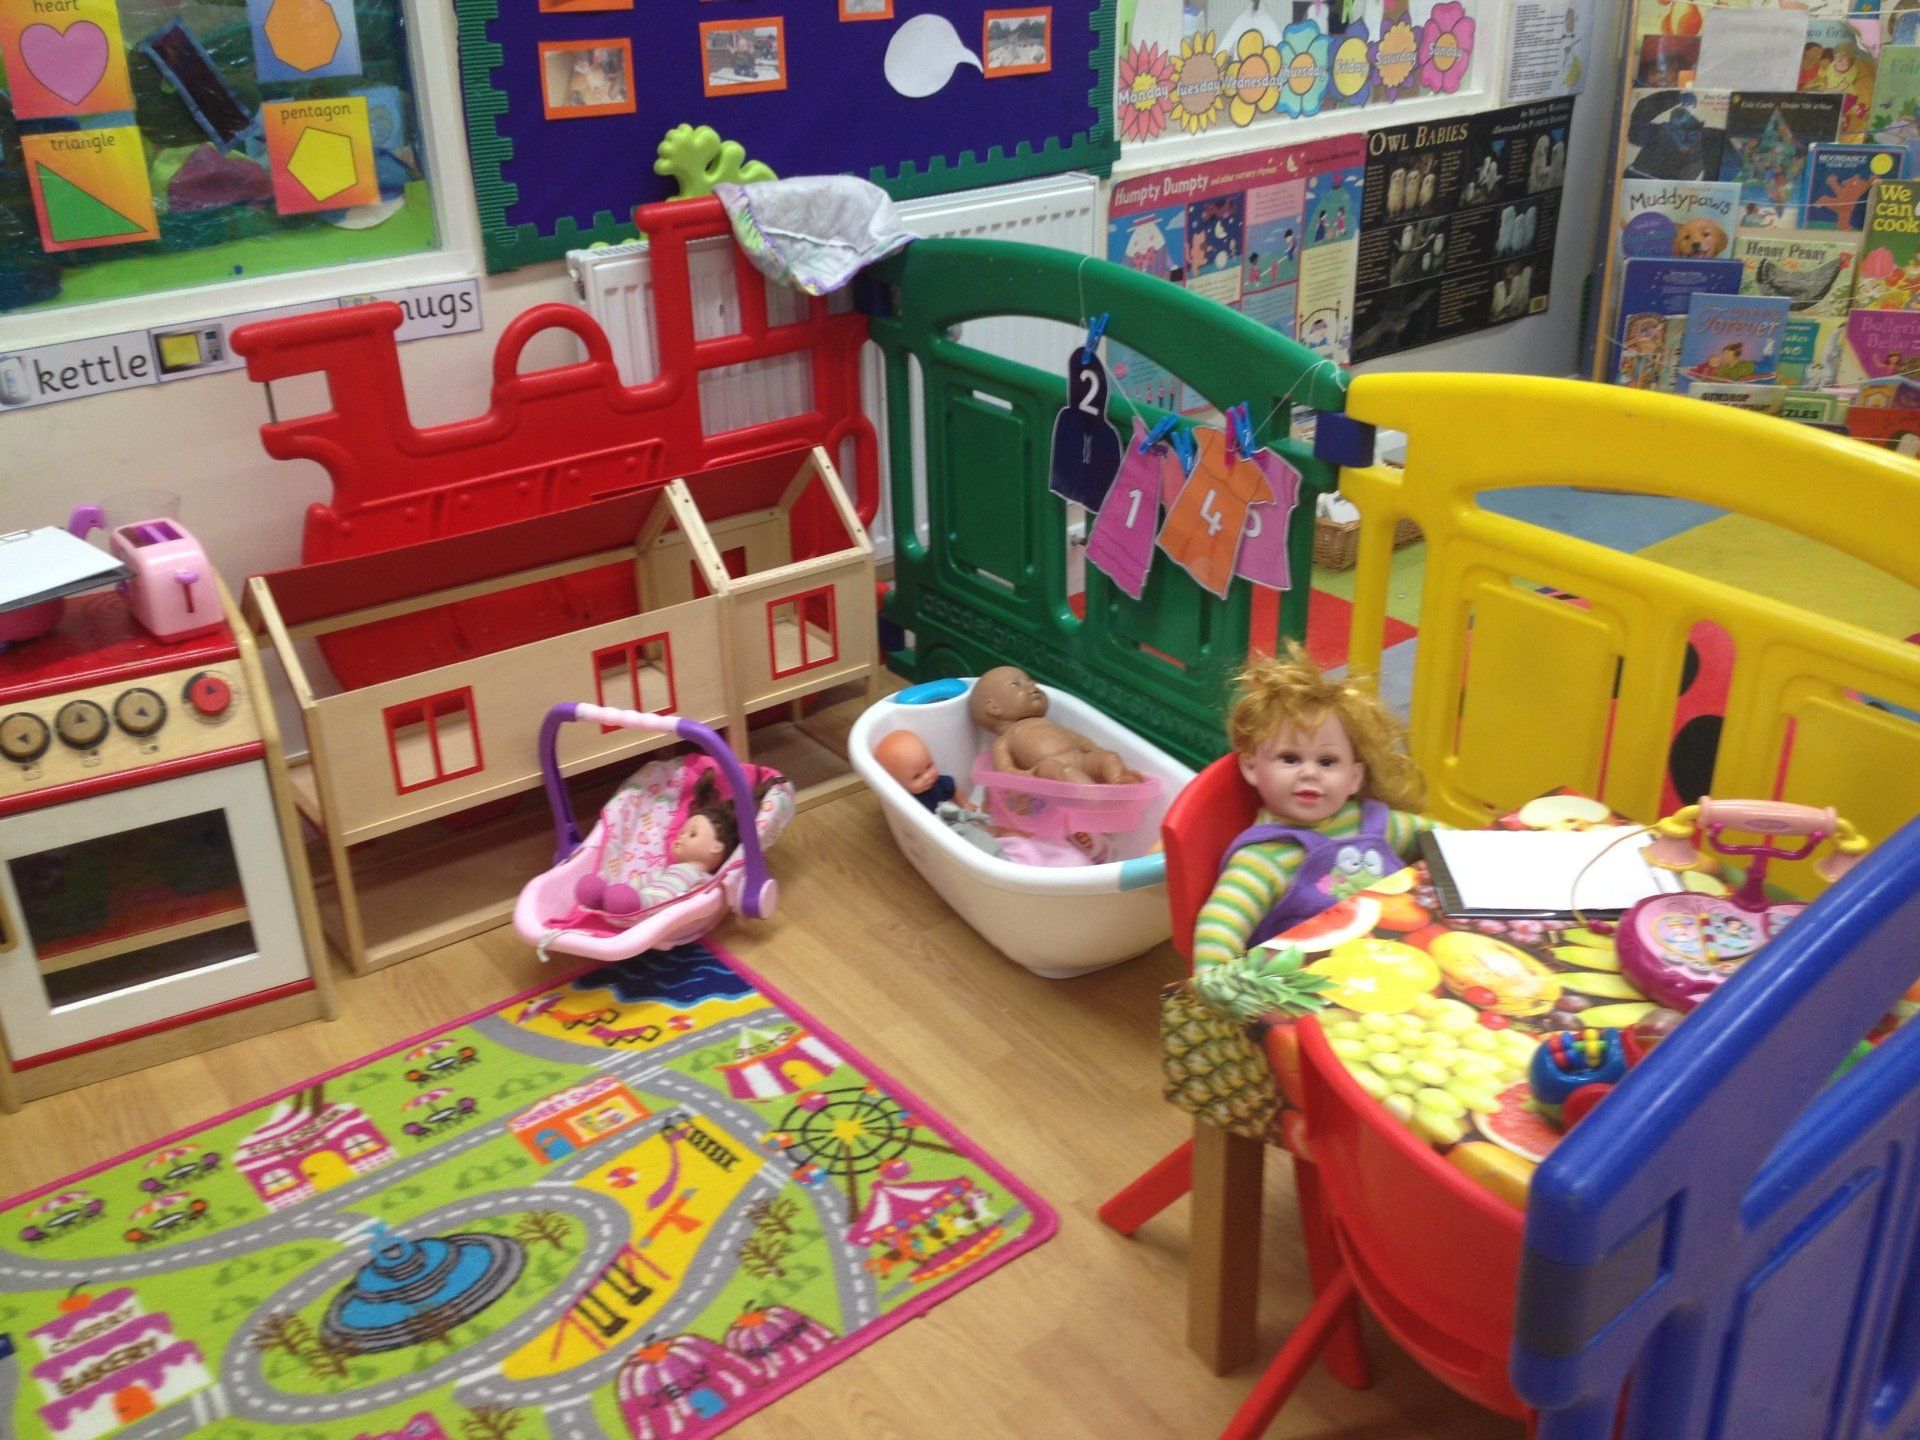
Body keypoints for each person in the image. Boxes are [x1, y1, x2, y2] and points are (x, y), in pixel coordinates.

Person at [1191, 643, 1440, 969]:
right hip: (1309, 988)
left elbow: (1448, 840)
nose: (1309, 772)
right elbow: (1220, 924)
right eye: (1290, 758)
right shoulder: (1263, 858)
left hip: (1403, 963)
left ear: (1353, 777)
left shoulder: (1375, 823)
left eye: (1327, 761)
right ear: (1252, 767)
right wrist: (1216, 980)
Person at [576, 771, 770, 916]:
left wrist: (636, 900)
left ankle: (625, 902)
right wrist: (620, 887)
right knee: (615, 889)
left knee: (629, 899)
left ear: (716, 847)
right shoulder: (668, 869)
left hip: (652, 908)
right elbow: (645, 881)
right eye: (683, 832)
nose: (682, 836)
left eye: (692, 834)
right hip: (636, 901)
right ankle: (600, 896)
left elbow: (692, 902)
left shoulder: (704, 880)